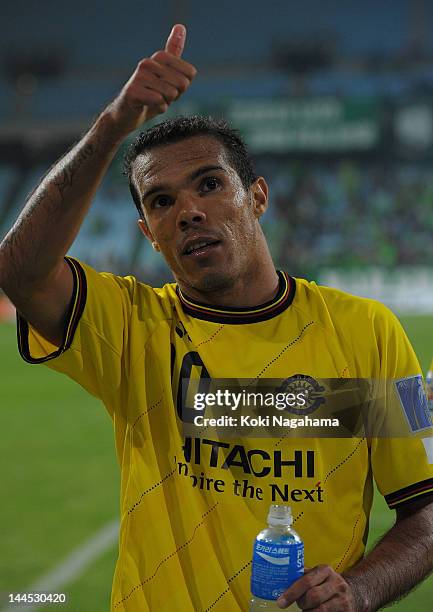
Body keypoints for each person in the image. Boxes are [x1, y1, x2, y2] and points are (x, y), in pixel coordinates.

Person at [1, 23, 433, 612]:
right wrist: (112, 127)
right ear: (147, 235)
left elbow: (424, 512)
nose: (188, 211)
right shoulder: (130, 328)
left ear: (256, 195)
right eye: (161, 201)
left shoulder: (369, 331)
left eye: (209, 183)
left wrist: (358, 591)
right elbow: (20, 271)